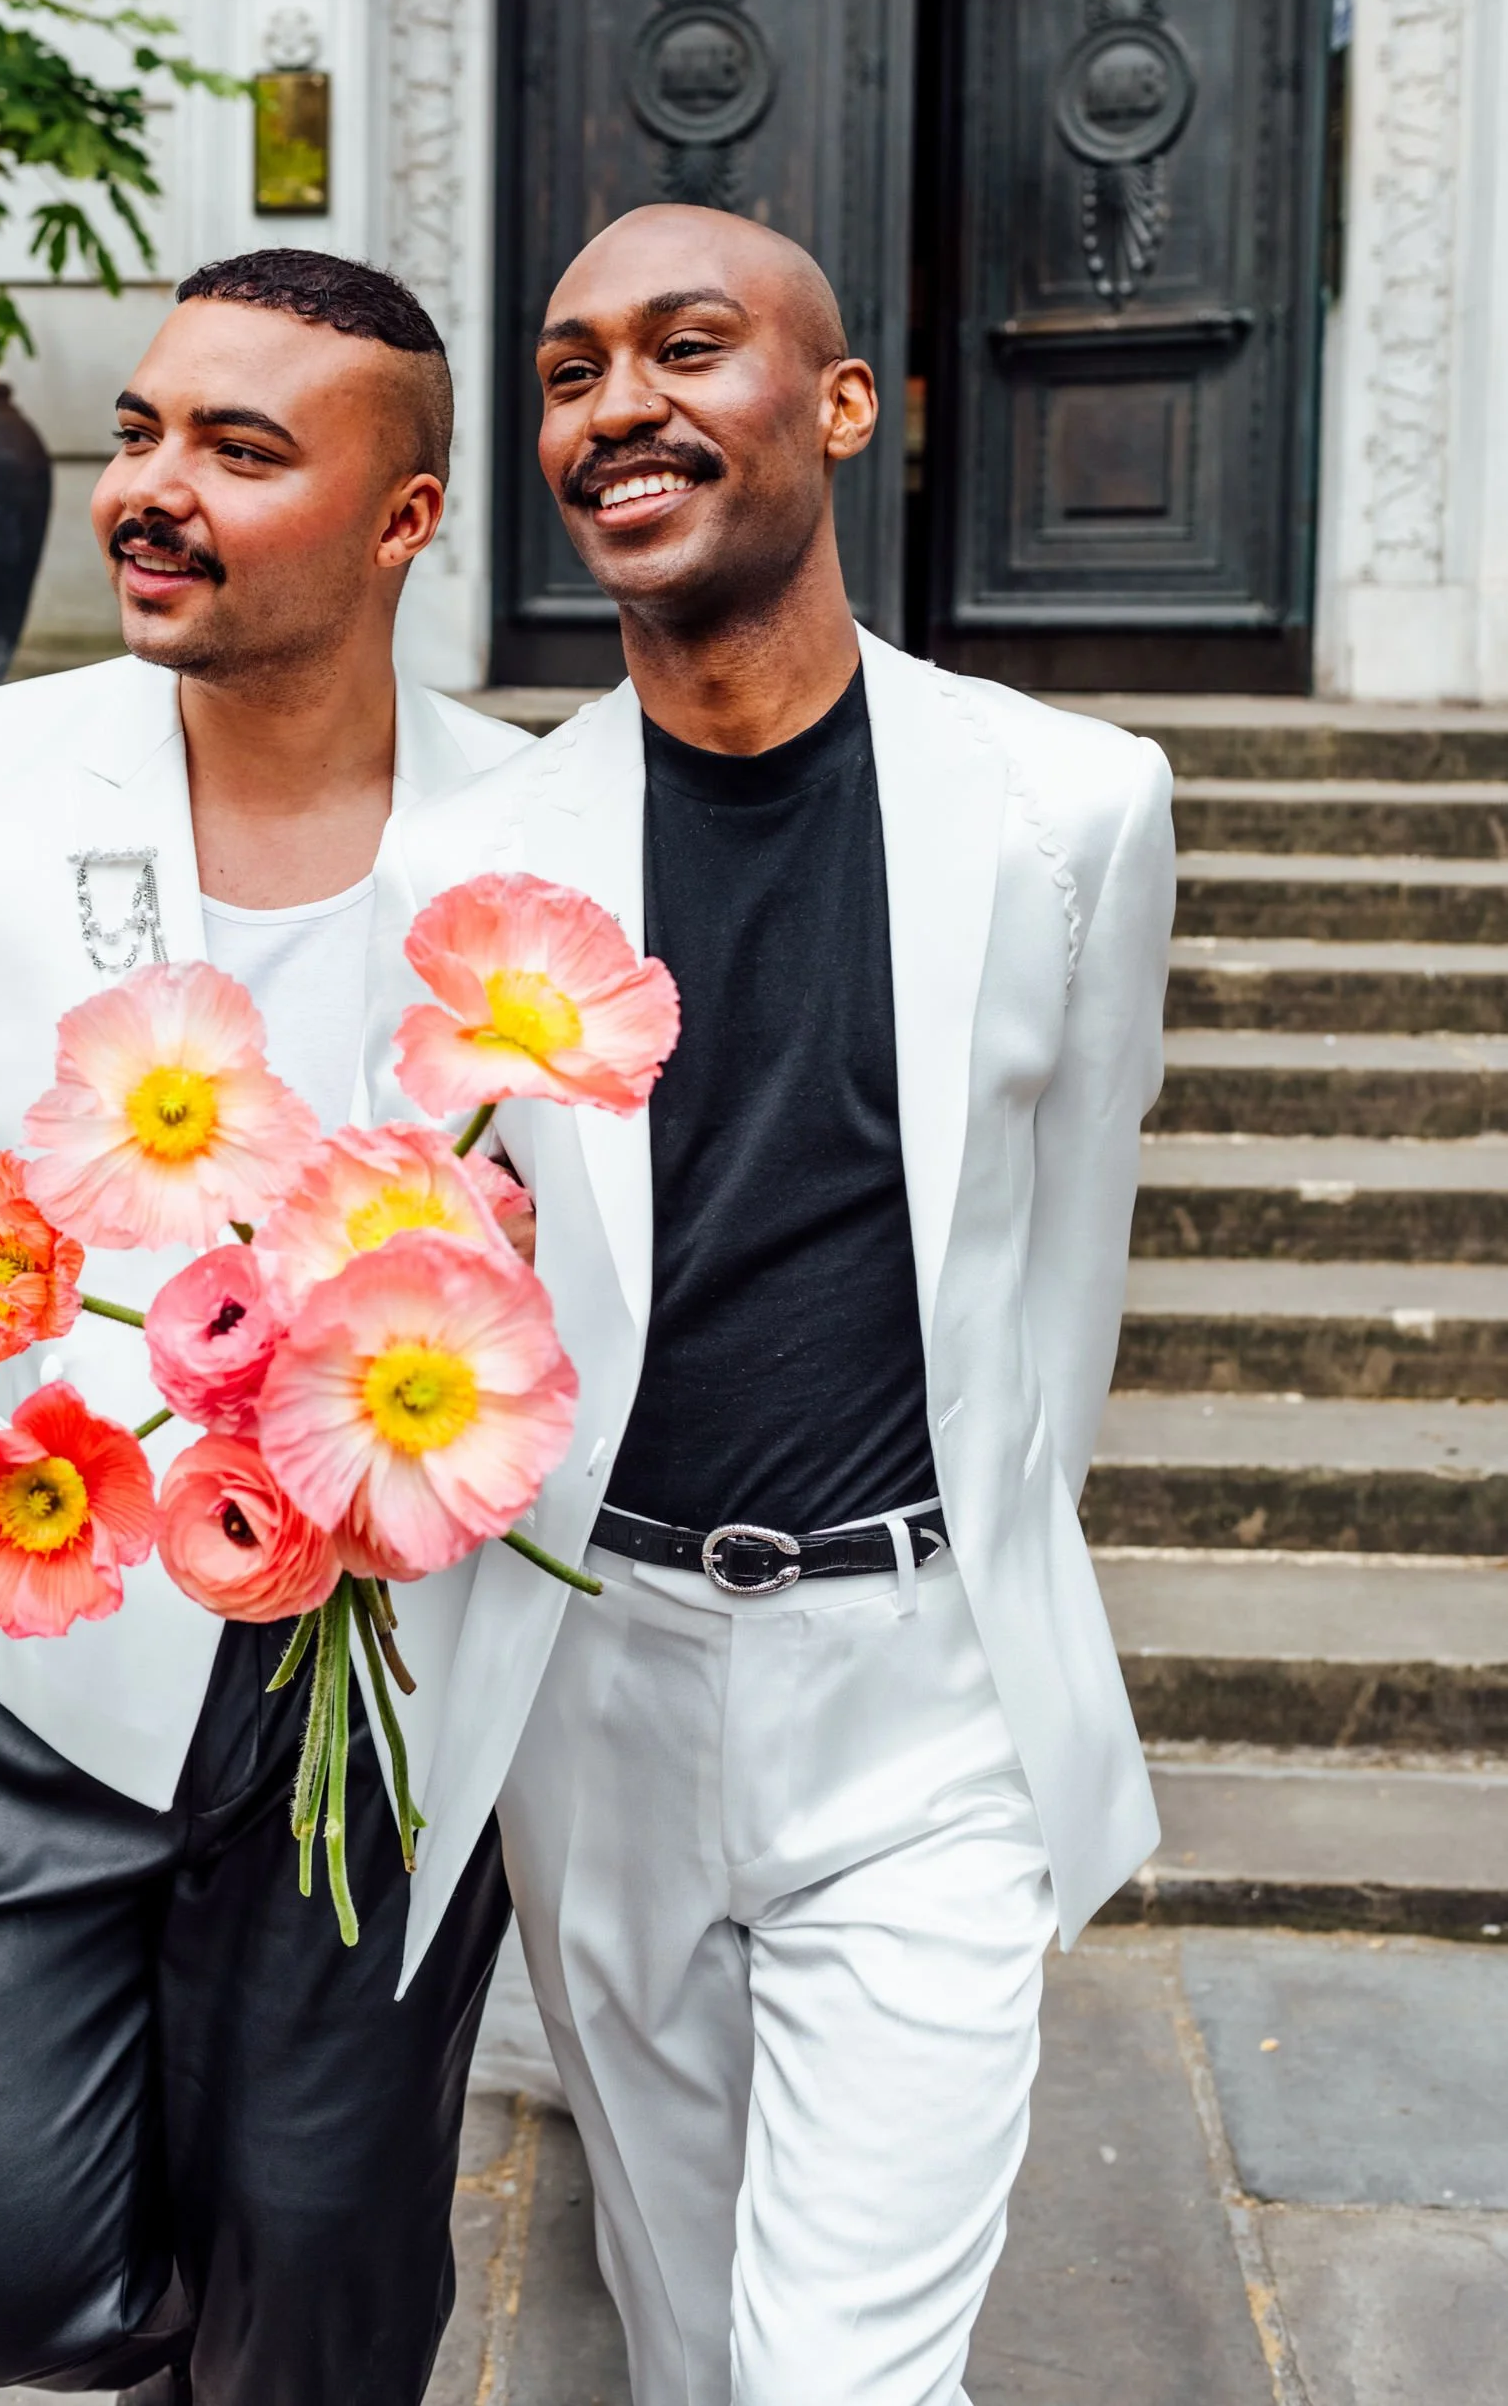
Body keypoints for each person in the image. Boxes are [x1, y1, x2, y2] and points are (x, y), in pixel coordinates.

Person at [0, 249, 528, 2404]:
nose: (151, 486)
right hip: (32, 1661)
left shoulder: (546, 837)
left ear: (400, 521)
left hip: (387, 1698)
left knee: (322, 2290)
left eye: (240, 452)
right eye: (142, 429)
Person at [367, 203, 1175, 2406]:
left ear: (834, 408)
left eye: (682, 347)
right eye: (563, 370)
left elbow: (1064, 1257)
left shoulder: (1071, 812)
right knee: (686, 2334)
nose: (612, 404)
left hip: (920, 1700)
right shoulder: (465, 862)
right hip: (598, 1698)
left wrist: (974, 1554)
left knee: (838, 2374)